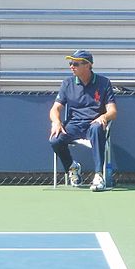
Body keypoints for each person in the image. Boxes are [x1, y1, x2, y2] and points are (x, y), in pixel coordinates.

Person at [49, 50, 117, 192]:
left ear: (87, 65)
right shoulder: (67, 83)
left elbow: (112, 111)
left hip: (94, 125)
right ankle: (72, 167)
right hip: (74, 125)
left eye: (75, 63)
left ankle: (99, 175)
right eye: (70, 63)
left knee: (97, 128)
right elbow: (55, 109)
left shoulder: (104, 82)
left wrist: (104, 117)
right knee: (55, 140)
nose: (71, 66)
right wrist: (56, 122)